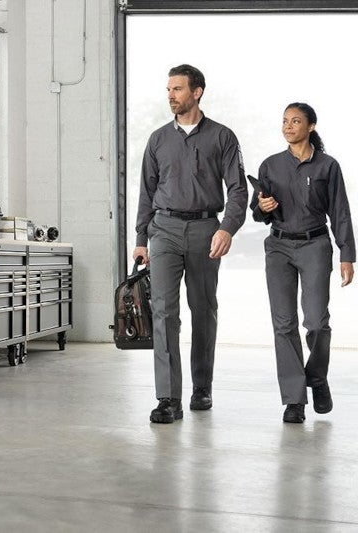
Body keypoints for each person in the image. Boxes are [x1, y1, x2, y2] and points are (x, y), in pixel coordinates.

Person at [134, 64, 248, 424]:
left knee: (203, 309)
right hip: (163, 229)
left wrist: (227, 228)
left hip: (204, 231)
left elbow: (238, 189)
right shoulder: (157, 140)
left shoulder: (222, 137)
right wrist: (141, 239)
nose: (171, 95)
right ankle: (168, 397)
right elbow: (146, 192)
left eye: (178, 89)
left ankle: (202, 386)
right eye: (168, 89)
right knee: (165, 312)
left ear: (196, 92)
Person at [253, 102, 355, 423]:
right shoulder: (270, 165)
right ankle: (294, 401)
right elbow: (259, 215)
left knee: (316, 322)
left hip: (315, 246)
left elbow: (340, 211)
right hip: (279, 248)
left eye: (295, 121)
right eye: (284, 121)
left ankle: (317, 376)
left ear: (311, 126)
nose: (288, 126)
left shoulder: (327, 166)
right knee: (283, 325)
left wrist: (347, 254)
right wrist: (264, 206)